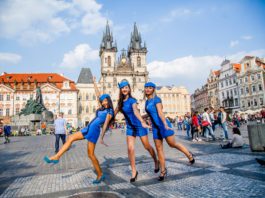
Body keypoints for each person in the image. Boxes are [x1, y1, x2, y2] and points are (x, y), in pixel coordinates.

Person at [44, 77, 114, 184]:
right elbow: (98, 93)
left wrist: (102, 137)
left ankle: (100, 174)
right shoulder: (102, 108)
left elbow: (105, 125)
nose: (104, 103)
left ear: (108, 101)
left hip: (94, 131)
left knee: (91, 155)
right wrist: (94, 82)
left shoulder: (110, 112)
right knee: (71, 138)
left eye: (105, 101)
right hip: (88, 128)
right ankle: (57, 156)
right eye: (102, 101)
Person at [144, 82, 195, 181]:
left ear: (153, 89)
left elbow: (160, 112)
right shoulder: (147, 102)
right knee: (159, 149)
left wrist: (165, 124)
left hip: (163, 124)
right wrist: (140, 117)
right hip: (155, 127)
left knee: (172, 144)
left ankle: (189, 155)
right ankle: (163, 170)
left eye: (150, 88)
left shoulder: (157, 99)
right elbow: (150, 113)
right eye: (146, 88)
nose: (148, 89)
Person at [114, 80, 158, 183]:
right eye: (122, 88)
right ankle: (134, 171)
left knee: (147, 146)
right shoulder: (120, 103)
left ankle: (156, 161)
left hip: (139, 125)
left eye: (126, 87)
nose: (124, 89)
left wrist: (142, 121)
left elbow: (135, 111)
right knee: (130, 149)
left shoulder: (132, 100)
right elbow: (113, 113)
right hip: (130, 127)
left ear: (129, 89)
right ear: (120, 90)